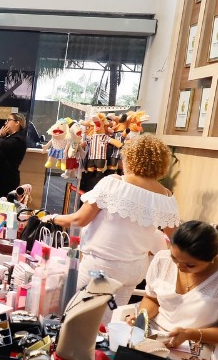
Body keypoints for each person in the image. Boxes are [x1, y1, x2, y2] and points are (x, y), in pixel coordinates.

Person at [46, 134, 180, 313]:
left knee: (75, 314)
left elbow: (79, 220)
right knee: (111, 318)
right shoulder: (167, 197)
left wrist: (52, 218)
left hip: (100, 265)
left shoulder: (114, 183)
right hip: (133, 270)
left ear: (130, 157)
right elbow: (176, 239)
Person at [132, 221, 218, 360]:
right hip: (155, 332)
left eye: (190, 265)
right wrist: (141, 318)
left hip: (196, 343)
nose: (179, 267)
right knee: (122, 358)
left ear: (212, 258)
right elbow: (152, 298)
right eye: (174, 258)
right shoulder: (162, 260)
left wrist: (190, 334)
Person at [0, 112, 29, 203]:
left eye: (9, 120)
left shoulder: (18, 139)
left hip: (9, 179)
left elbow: (1, 144)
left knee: (2, 205)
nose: (5, 123)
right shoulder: (9, 137)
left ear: (17, 122)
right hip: (3, 177)